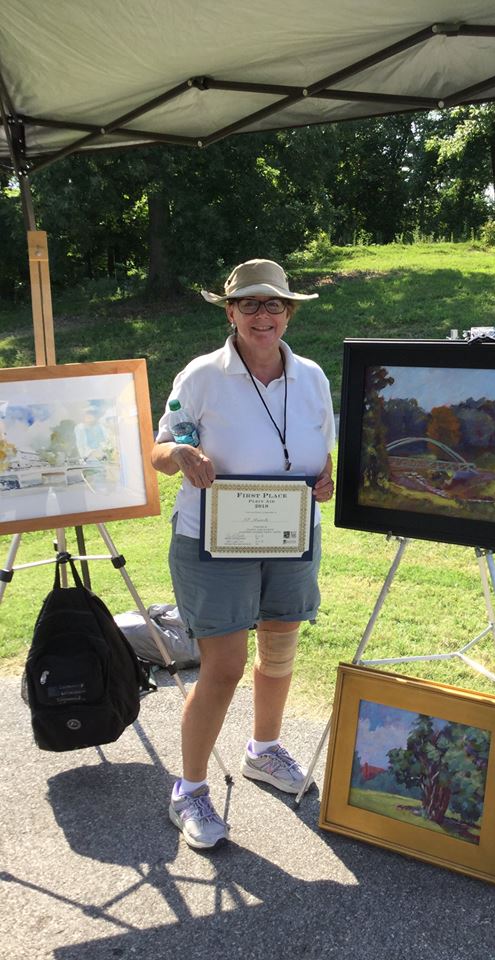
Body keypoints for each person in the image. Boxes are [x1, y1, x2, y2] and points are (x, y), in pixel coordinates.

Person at [151, 259, 335, 851]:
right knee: (225, 667)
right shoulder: (202, 375)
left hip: (290, 534)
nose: (263, 315)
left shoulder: (312, 377)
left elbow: (321, 448)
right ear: (231, 313)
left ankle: (264, 750)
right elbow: (160, 448)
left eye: (274, 304)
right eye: (249, 304)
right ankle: (189, 790)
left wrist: (326, 476)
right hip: (214, 540)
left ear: (289, 313)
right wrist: (181, 456)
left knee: (279, 650)